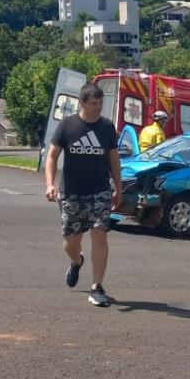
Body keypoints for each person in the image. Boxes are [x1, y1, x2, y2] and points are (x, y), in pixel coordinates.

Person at [44, 81, 122, 306]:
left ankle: (97, 287)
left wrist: (118, 187)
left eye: (101, 103)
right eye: (95, 104)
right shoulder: (67, 125)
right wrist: (50, 184)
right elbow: (52, 156)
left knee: (100, 233)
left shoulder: (106, 127)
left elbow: (114, 160)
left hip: (99, 191)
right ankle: (76, 262)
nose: (99, 108)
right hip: (71, 193)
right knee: (71, 241)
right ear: (83, 103)